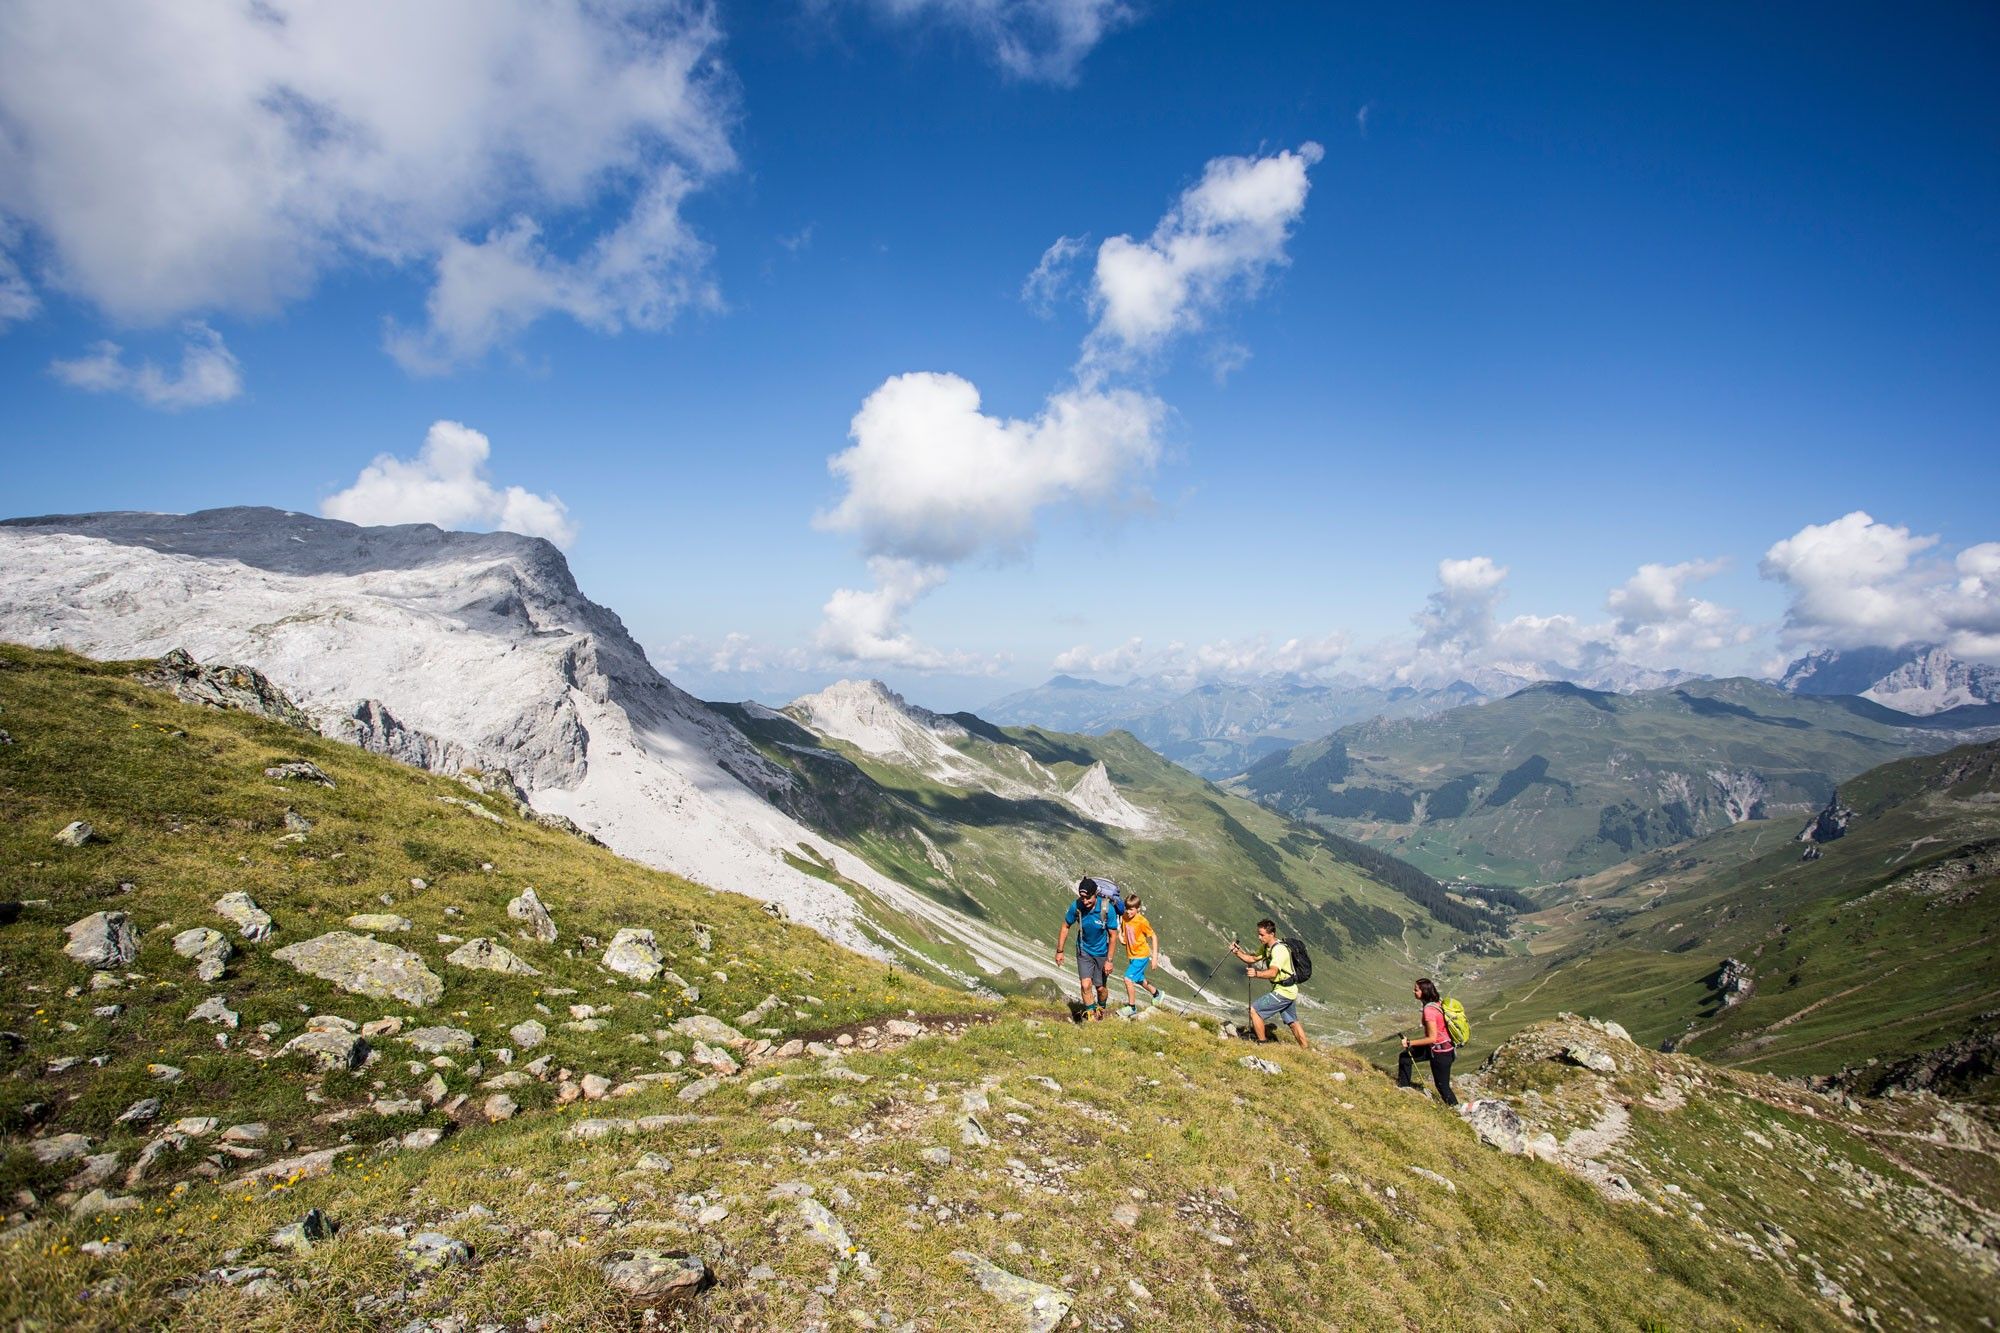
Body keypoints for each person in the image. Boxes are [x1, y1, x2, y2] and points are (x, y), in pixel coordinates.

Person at [1054, 877, 1124, 1022]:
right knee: (1086, 985)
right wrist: (1060, 951)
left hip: (1102, 953)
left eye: (1088, 898)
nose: (1085, 901)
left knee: (1100, 988)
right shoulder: (1077, 906)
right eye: (1082, 897)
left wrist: (1109, 961)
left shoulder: (1107, 909)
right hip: (1084, 950)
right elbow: (1065, 926)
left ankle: (1101, 1008)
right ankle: (1091, 1019)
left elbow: (1113, 936)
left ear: (1095, 895)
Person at [1228, 919, 1306, 1048]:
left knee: (1255, 1011)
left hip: (1283, 991)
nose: (1259, 937)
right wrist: (1237, 952)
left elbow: (1273, 973)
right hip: (1288, 990)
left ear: (1272, 934)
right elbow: (1252, 958)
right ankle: (1306, 1050)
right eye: (1258, 934)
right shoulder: (1267, 947)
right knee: (1292, 1022)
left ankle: (1263, 1044)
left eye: (1262, 935)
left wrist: (1256, 974)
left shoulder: (1279, 950)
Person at [1397, 977, 1458, 1106]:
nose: (1414, 992)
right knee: (1405, 1058)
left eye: (1416, 990)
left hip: (1440, 1052)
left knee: (1442, 1086)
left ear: (1424, 991)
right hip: (1444, 1048)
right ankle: (1404, 1089)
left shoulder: (1429, 1010)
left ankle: (1457, 1110)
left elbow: (1432, 1038)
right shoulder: (1438, 1003)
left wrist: (1410, 1043)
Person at [1115, 893, 1163, 1017]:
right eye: (1127, 908)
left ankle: (1132, 1007)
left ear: (1138, 909)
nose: (1128, 912)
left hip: (1141, 955)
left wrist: (1155, 958)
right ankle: (1157, 994)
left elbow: (1153, 936)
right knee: (1140, 979)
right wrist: (1121, 937)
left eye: (1131, 909)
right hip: (1132, 955)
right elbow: (1126, 936)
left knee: (1128, 979)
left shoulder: (1142, 921)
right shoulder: (1125, 917)